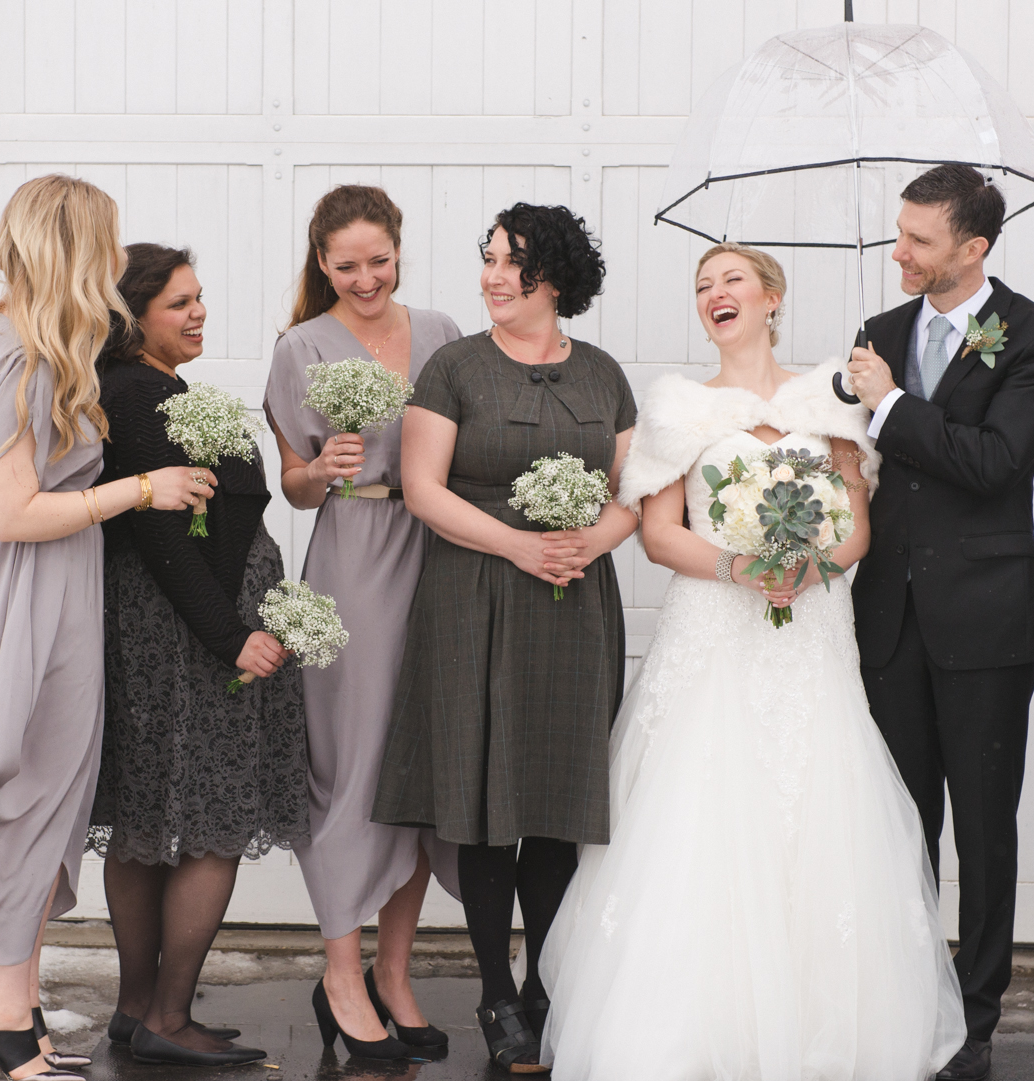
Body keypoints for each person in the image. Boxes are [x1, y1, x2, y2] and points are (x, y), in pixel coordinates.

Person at [539, 243, 967, 1081]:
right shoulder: (677, 407)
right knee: (702, 811)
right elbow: (662, 535)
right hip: (715, 631)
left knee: (817, 808)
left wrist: (810, 564)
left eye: (731, 279)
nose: (714, 293)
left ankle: (821, 1026)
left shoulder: (829, 399)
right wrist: (741, 566)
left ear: (772, 296)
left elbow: (855, 528)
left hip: (809, 631)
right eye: (701, 284)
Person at [0, 176, 217, 1081]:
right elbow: (12, 512)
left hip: (55, 589)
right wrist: (138, 488)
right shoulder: (26, 357)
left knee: (46, 797)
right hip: (30, 596)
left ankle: (14, 1011)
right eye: (107, 243)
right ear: (78, 249)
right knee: (25, 794)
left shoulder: (26, 335)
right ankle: (4, 1018)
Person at [371, 203, 638, 1074]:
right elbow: (423, 487)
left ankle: (544, 987)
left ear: (552, 277)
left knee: (557, 800)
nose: (490, 276)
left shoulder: (602, 375)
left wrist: (593, 540)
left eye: (509, 262)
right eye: (485, 258)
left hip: (574, 601)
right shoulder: (452, 367)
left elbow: (635, 489)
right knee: (488, 803)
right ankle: (494, 990)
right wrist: (521, 543)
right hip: (476, 592)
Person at [844, 163, 1034, 1081]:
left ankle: (974, 1019)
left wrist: (891, 404)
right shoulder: (878, 333)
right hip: (888, 616)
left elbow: (995, 462)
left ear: (973, 249)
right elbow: (861, 467)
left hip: (985, 620)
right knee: (900, 825)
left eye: (918, 241)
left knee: (982, 826)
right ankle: (906, 997)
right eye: (898, 232)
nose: (897, 252)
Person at [87, 243, 308, 1068]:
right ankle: (169, 1015)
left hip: (167, 631)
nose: (198, 312)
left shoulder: (147, 388)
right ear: (134, 315)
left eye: (199, 297)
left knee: (149, 817)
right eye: (179, 302)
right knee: (212, 818)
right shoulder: (143, 393)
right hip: (186, 638)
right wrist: (231, 635)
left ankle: (137, 1005)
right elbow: (164, 540)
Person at [263, 185, 464, 1060]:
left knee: (418, 765)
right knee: (352, 767)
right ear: (321, 262)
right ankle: (340, 972)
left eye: (378, 261)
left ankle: (394, 972)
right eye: (345, 265)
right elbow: (292, 483)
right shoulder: (299, 347)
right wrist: (325, 469)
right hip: (352, 561)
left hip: (441, 554)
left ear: (399, 250)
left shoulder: (446, 331)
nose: (365, 278)